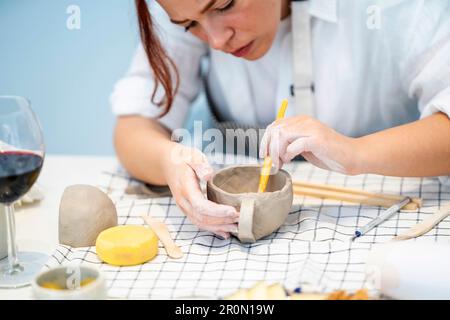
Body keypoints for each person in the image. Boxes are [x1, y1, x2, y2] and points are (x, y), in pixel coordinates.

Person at [111, 0, 450, 239]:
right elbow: (135, 126)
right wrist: (167, 160)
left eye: (225, 5)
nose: (215, 41)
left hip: (382, 206)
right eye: (190, 26)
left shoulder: (395, 7)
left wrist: (355, 153)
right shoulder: (181, 4)